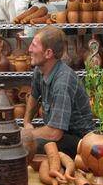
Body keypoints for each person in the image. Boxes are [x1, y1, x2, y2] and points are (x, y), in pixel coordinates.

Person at [23, 26, 94, 157]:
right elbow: (34, 96)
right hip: (60, 135)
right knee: (26, 143)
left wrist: (26, 134)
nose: (29, 49)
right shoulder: (40, 70)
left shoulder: (62, 82)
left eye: (34, 45)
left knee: (28, 145)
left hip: (79, 141)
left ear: (48, 53)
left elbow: (55, 133)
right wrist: (27, 122)